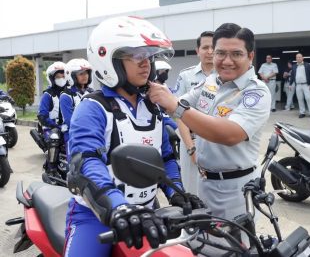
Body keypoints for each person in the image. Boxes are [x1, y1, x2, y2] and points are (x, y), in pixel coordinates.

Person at [64, 16, 204, 256]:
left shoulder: (153, 106)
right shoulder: (93, 107)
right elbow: (86, 162)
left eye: (148, 56)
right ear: (110, 60)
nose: (146, 64)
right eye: (136, 56)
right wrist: (118, 207)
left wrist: (177, 194)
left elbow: (165, 158)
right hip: (96, 215)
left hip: (145, 214)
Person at [149, 22, 271, 220]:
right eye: (220, 53)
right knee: (204, 245)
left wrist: (175, 106)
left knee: (236, 247)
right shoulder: (212, 81)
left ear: (250, 56)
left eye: (236, 54)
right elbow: (182, 102)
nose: (227, 61)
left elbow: (230, 134)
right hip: (204, 183)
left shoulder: (256, 92)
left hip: (236, 190)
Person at [174, 30, 215, 196]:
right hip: (191, 139)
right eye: (205, 47)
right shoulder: (186, 76)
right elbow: (178, 113)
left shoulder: (226, 76)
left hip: (216, 139)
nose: (210, 51)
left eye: (213, 47)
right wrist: (191, 149)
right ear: (198, 51)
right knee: (191, 189)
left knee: (214, 188)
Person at [37, 61, 67, 174]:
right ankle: (51, 169)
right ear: (52, 78)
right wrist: (57, 126)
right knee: (54, 137)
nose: (61, 78)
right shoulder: (48, 95)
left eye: (63, 76)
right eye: (58, 76)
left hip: (69, 125)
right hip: (52, 127)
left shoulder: (70, 93)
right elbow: (42, 115)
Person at [59, 58, 94, 147]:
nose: (85, 76)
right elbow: (70, 122)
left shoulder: (92, 93)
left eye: (86, 73)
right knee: (76, 159)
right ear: (71, 76)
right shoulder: (66, 96)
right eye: (81, 74)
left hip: (92, 130)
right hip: (73, 133)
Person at [290, 53, 310, 118]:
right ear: (296, 59)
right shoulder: (294, 66)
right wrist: (290, 84)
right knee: (300, 99)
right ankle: (302, 112)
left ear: (302, 58)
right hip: (298, 85)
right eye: (297, 57)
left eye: (299, 57)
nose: (298, 58)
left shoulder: (307, 65)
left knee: (308, 98)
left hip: (306, 85)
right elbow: (292, 76)